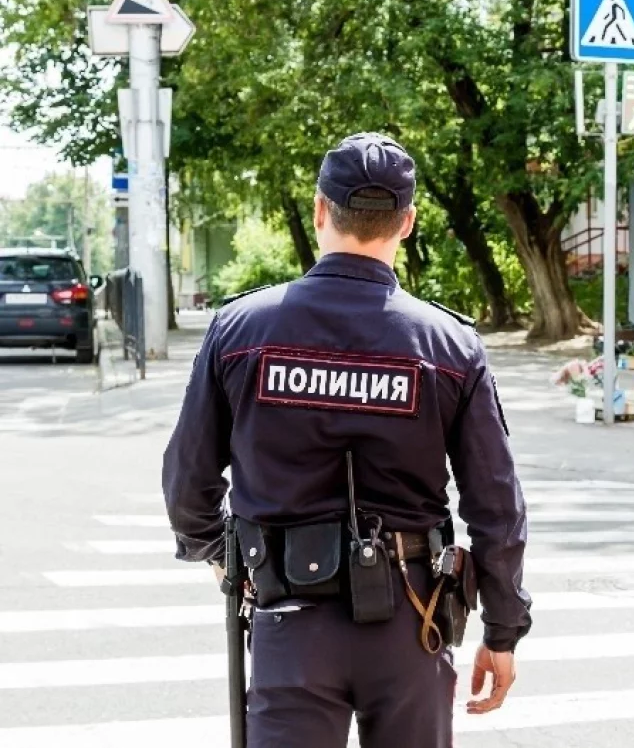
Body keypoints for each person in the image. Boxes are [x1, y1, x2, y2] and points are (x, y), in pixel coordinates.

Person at [162, 133, 532, 748]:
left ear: (319, 210)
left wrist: (222, 557)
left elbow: (187, 479)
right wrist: (503, 628)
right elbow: (495, 503)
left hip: (290, 621)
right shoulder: (449, 345)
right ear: (407, 222)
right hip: (415, 623)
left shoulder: (241, 329)